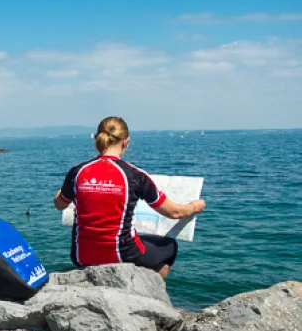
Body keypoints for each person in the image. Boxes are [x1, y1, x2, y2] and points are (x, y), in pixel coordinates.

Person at [53, 117, 205, 279]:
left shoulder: (77, 172)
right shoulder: (135, 176)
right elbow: (174, 212)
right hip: (122, 254)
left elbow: (59, 204)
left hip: (80, 256)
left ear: (96, 139)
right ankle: (150, 291)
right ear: (126, 142)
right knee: (169, 247)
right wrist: (195, 206)